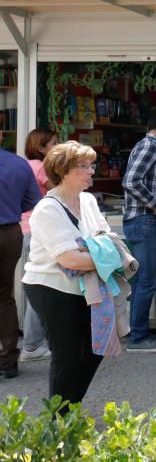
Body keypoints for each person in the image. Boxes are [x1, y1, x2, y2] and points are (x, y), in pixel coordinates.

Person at [22, 142, 105, 410]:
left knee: (96, 349)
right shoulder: (48, 208)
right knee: (67, 356)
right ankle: (59, 421)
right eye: (83, 166)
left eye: (91, 165)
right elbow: (69, 258)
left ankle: (69, 408)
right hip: (50, 287)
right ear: (63, 170)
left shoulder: (89, 200)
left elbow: (106, 240)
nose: (90, 171)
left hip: (85, 286)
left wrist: (93, 254)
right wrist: (105, 258)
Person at [122, 107, 156, 353]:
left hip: (143, 221)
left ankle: (140, 332)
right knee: (145, 280)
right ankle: (138, 337)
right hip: (143, 220)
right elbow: (131, 180)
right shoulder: (150, 146)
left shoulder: (151, 147)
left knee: (144, 280)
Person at [0, 140, 42, 378]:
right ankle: (7, 358)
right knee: (4, 295)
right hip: (8, 233)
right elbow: (31, 201)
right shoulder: (18, 164)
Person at [18, 128, 56, 363]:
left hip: (23, 228)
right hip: (37, 231)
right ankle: (32, 344)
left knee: (33, 284)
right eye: (53, 143)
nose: (57, 146)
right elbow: (57, 189)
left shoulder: (25, 166)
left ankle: (34, 342)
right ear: (41, 148)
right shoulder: (40, 167)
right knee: (41, 286)